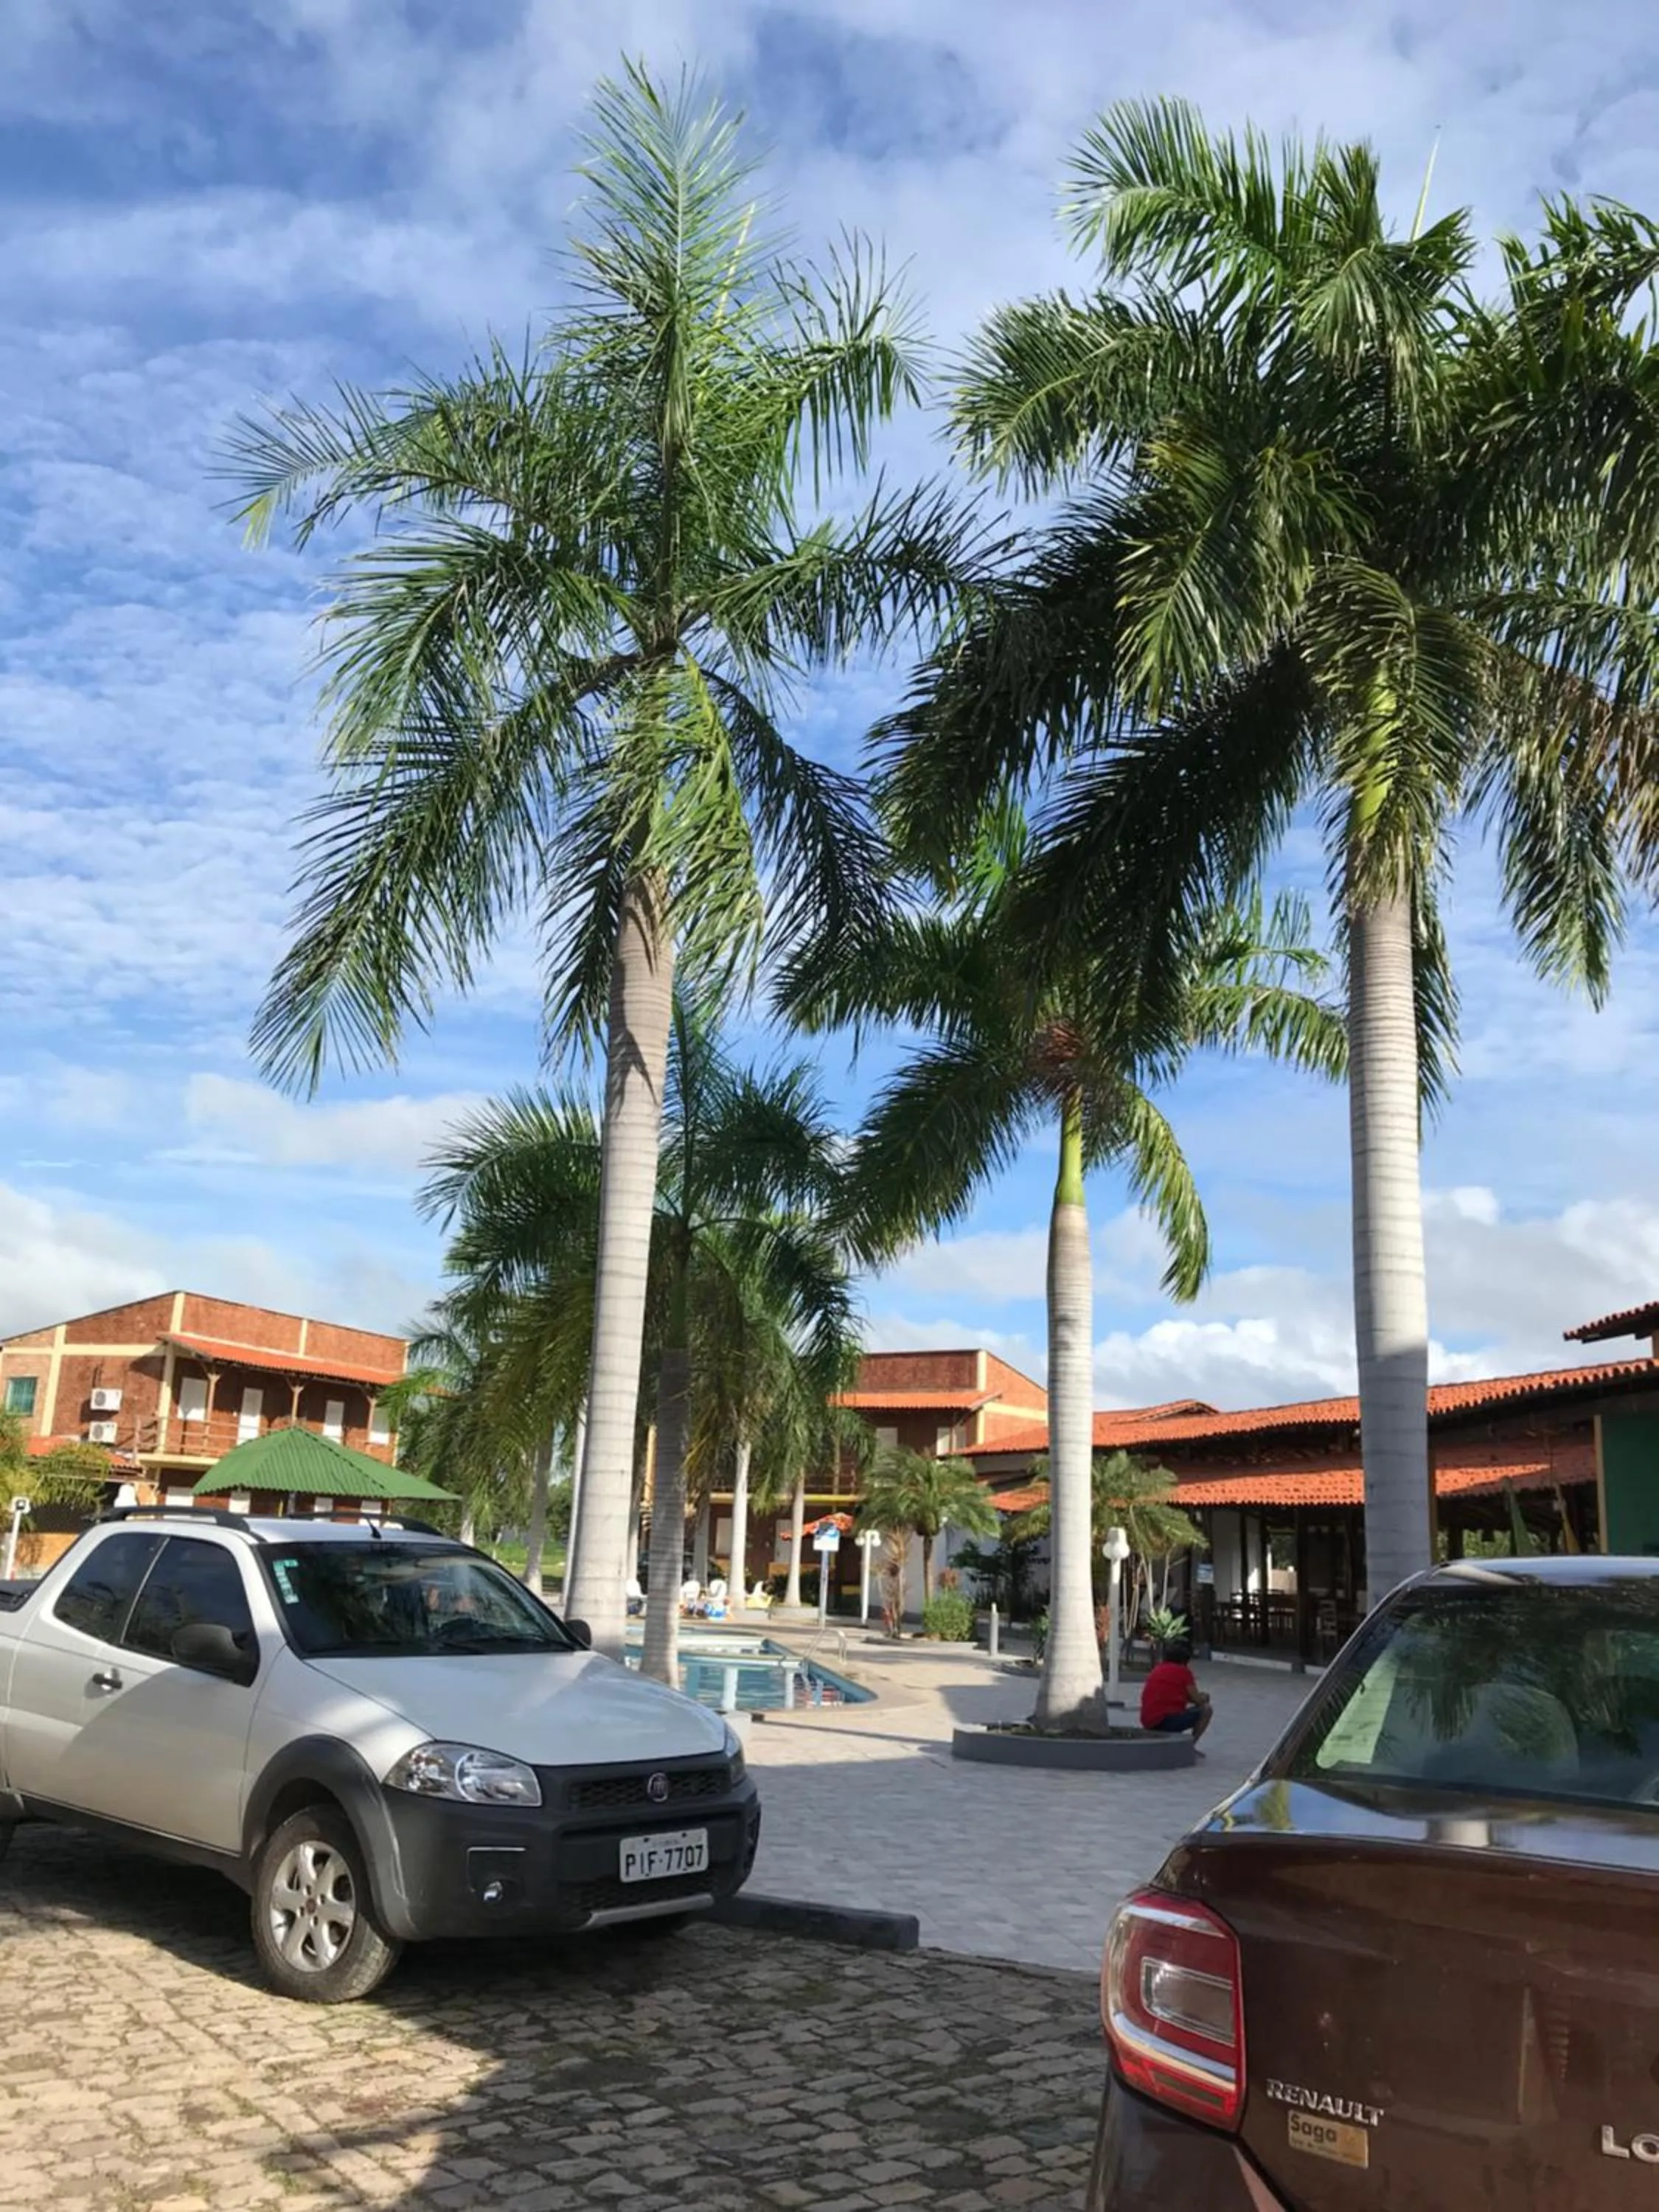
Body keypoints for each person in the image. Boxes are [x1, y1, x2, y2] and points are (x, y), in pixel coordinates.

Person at [1140, 1638, 1211, 1749]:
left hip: (1149, 1721)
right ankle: (1190, 1746)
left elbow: (1175, 1694)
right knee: (1206, 1710)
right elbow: (1197, 1699)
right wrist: (1204, 1697)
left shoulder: (1158, 1669)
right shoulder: (1184, 1672)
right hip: (1165, 1721)